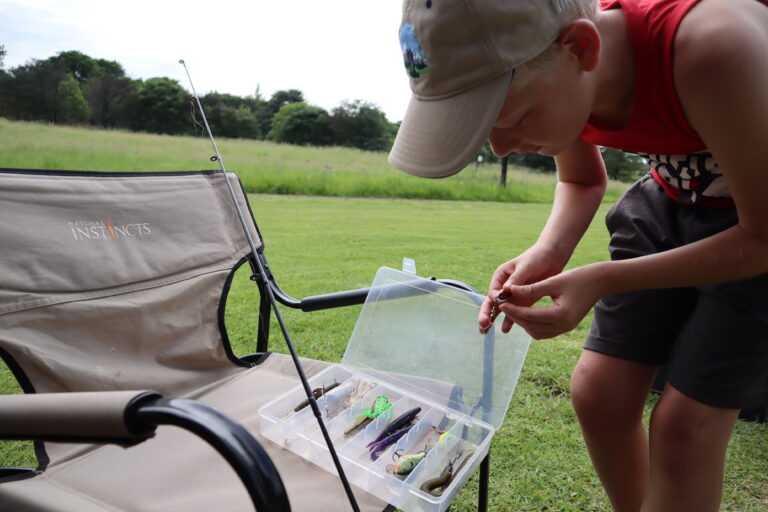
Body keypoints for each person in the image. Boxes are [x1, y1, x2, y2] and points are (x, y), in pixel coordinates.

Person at [388, 0, 768, 511]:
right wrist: (548, 252)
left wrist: (602, 279)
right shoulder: (567, 69)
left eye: (514, 117)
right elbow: (582, 177)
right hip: (671, 198)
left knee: (686, 426)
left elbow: (761, 234)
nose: (500, 149)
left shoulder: (711, 45)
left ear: (582, 48)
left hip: (756, 224)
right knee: (599, 393)